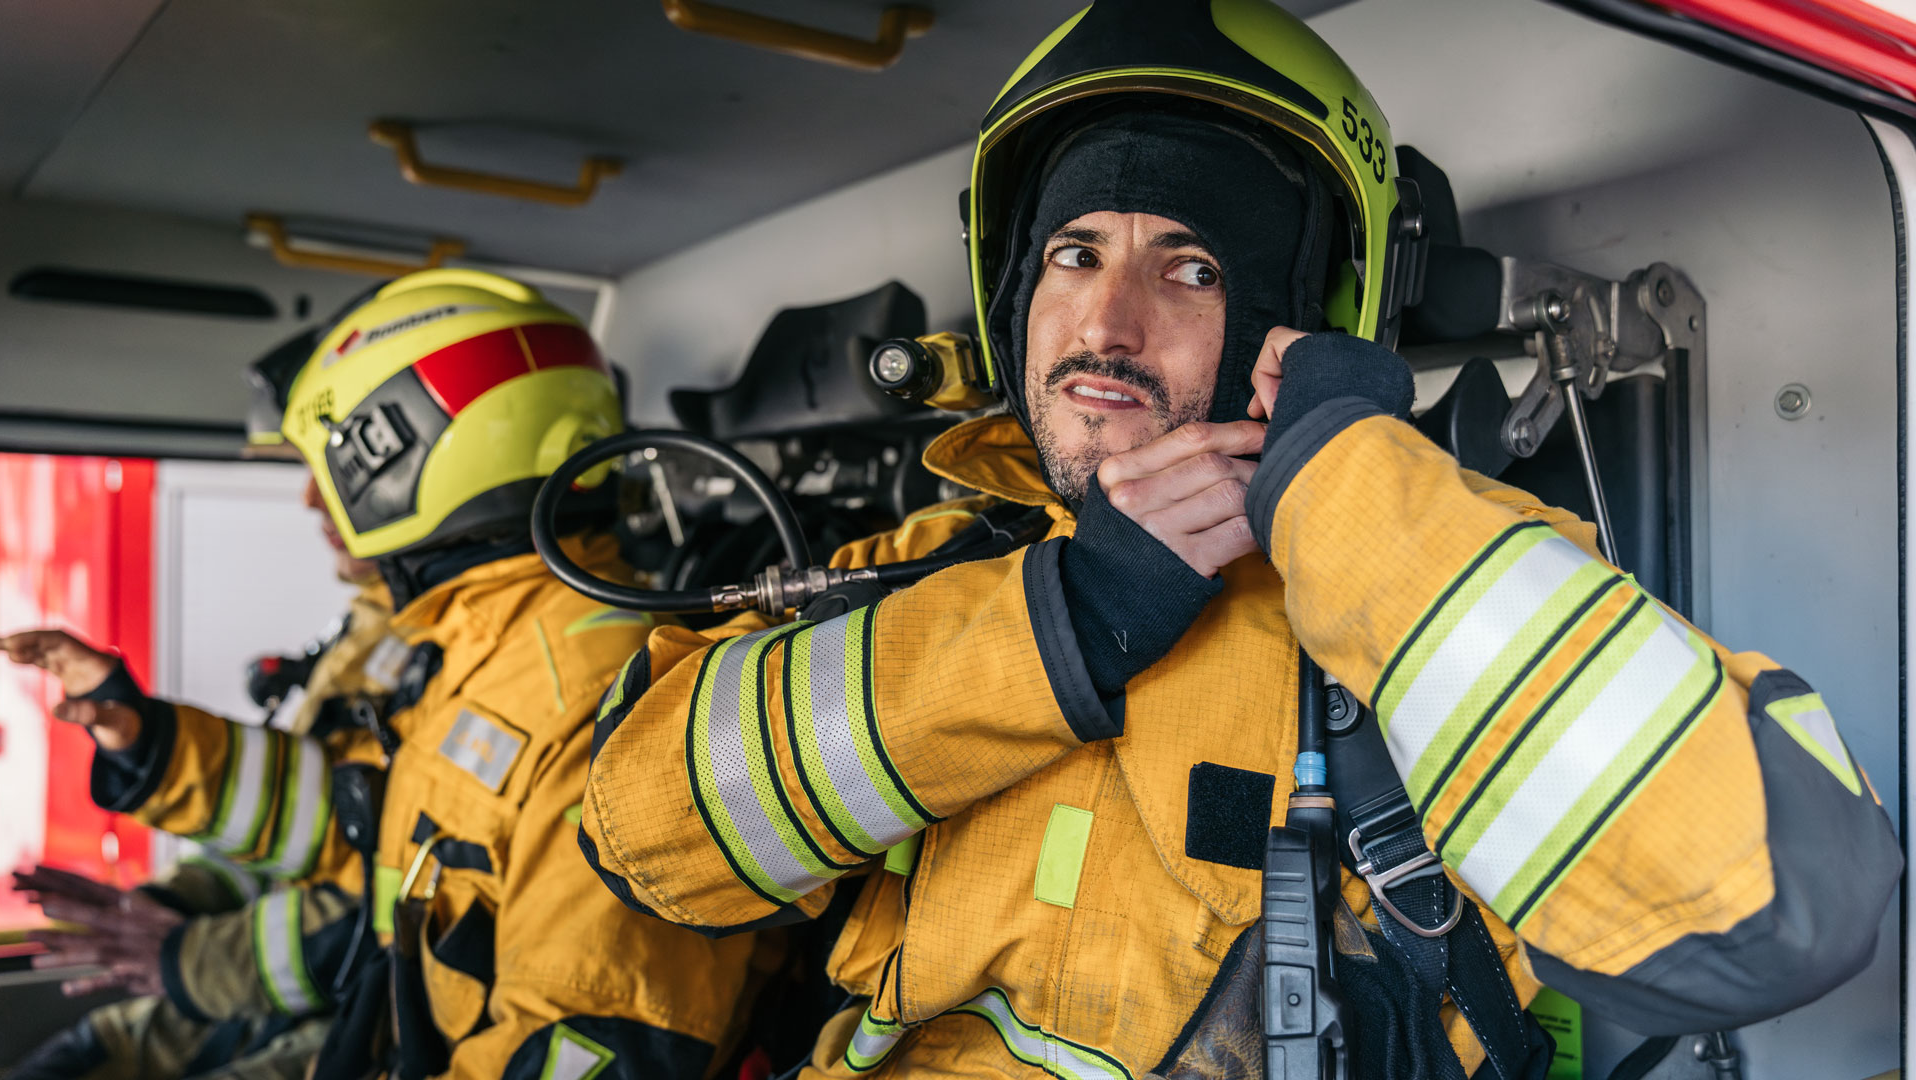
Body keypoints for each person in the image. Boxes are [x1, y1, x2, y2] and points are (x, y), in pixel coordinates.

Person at [576, 2, 1903, 1078]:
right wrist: (1062, 619)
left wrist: (1346, 496)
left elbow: (1775, 920)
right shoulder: (919, 575)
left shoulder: (1437, 576)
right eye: (1076, 254)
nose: (1107, 323)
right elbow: (638, 839)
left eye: (1193, 269)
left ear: (1296, 318)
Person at [13, 269, 766, 1080]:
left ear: (411, 457)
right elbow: (358, 822)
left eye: (330, 468)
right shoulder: (472, 647)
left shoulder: (604, 696)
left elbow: (579, 1046)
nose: (310, 501)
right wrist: (153, 742)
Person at [1, 328, 412, 1080]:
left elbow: (384, 890)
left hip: (363, 1005)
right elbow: (305, 829)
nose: (311, 497)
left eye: (332, 467)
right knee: (101, 1049)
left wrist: (184, 957)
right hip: (296, 981)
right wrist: (173, 904)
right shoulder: (372, 626)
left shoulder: (452, 651)